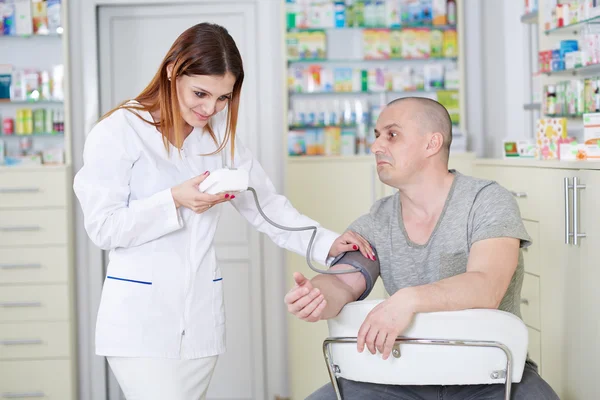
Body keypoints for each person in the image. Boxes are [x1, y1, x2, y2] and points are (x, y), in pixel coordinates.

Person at [72, 23, 374, 400]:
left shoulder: (218, 139)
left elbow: (267, 206)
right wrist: (173, 200)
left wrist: (327, 242)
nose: (209, 109)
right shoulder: (120, 130)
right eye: (200, 93)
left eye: (222, 98)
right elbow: (104, 227)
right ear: (172, 70)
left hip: (200, 323)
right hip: (142, 323)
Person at [285, 97, 560, 400]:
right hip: (399, 375)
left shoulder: (487, 200)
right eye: (376, 135)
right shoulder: (378, 218)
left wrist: (409, 300)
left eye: (391, 134)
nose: (376, 146)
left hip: (490, 374)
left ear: (432, 143)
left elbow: (487, 286)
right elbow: (341, 280)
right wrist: (317, 296)